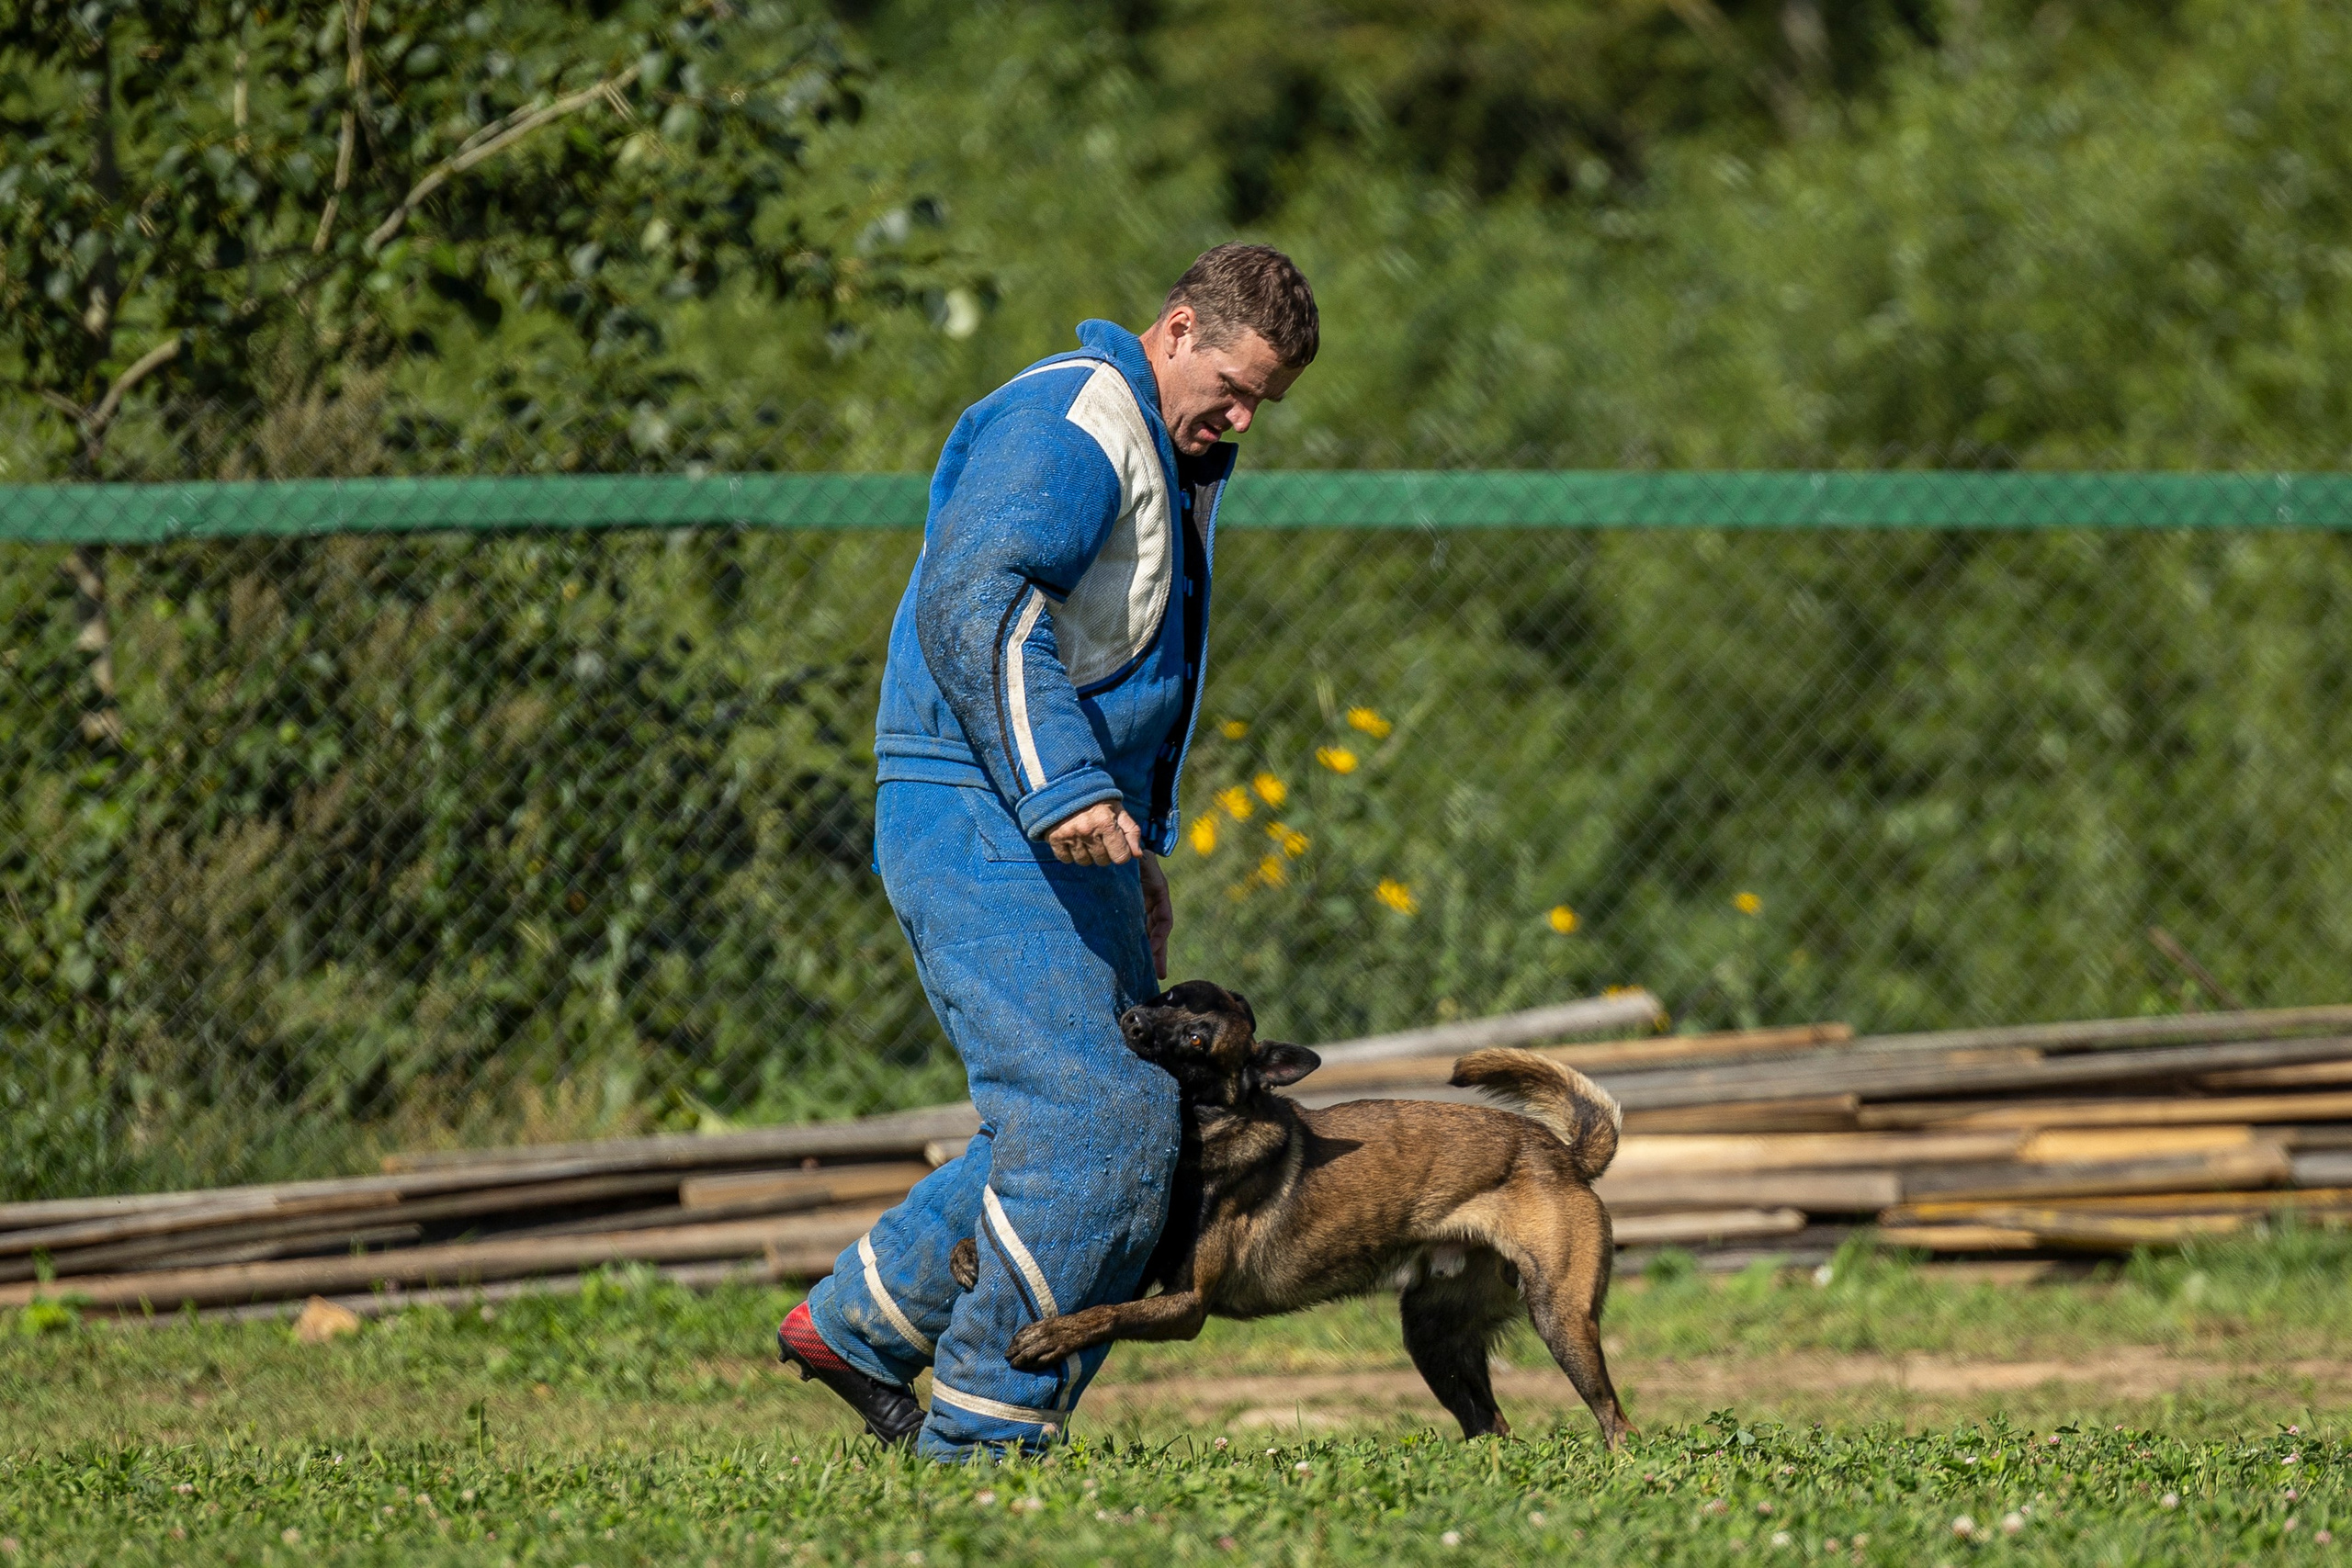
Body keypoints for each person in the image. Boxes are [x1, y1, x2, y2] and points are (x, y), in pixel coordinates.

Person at [776, 243, 1319, 1458]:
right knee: (1101, 1116)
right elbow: (983, 601)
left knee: (1094, 1109)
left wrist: (1131, 847)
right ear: (1177, 329)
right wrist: (1066, 788)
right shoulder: (1074, 415)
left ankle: (859, 1326)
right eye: (1231, 387)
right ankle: (983, 1440)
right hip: (975, 803)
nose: (1240, 419)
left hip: (1055, 817)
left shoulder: (1165, 444)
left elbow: (1102, 654)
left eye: (1260, 406)